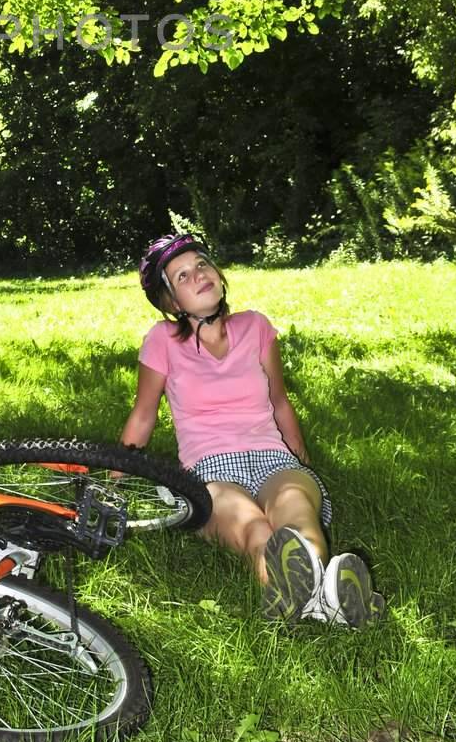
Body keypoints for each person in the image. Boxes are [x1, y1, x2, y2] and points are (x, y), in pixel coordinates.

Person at [122, 231, 384, 628]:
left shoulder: (256, 326)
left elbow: (279, 402)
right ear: (172, 302)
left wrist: (300, 463)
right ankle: (330, 603)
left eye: (202, 265)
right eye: (182, 277)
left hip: (273, 458)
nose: (198, 275)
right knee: (255, 530)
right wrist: (113, 475)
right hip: (209, 470)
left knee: (297, 514)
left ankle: (310, 599)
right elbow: (144, 416)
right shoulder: (162, 340)